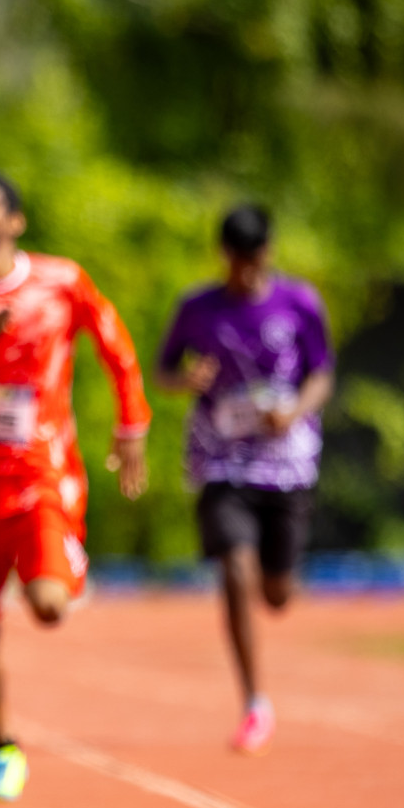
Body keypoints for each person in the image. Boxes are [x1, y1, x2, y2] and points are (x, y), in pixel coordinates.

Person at [0, 172, 151, 801]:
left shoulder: (61, 282)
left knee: (47, 606)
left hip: (39, 476)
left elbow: (115, 346)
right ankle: (3, 747)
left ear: (15, 221)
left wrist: (132, 424)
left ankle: (62, 557)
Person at [156, 205, 333, 755]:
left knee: (276, 594)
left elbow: (322, 374)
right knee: (234, 566)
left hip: (285, 463)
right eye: (237, 261)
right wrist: (185, 379)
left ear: (268, 253)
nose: (247, 272)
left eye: (256, 260)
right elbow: (163, 372)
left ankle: (273, 577)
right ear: (224, 256)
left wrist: (296, 409)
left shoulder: (300, 303)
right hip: (220, 459)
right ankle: (254, 701)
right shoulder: (197, 307)